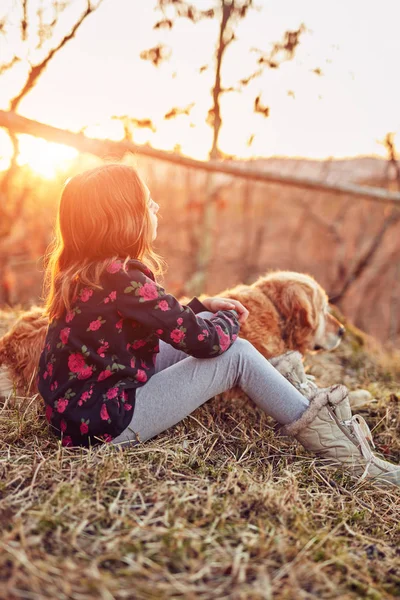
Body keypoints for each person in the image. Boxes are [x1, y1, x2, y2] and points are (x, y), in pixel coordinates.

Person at [37, 164, 399, 488]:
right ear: (124, 218)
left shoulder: (85, 270)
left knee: (208, 321)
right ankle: (348, 456)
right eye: (148, 203)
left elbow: (161, 321)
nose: (156, 208)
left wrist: (203, 308)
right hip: (105, 427)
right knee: (238, 353)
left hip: (75, 415)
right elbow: (206, 344)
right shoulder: (125, 277)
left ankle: (300, 399)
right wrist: (227, 319)